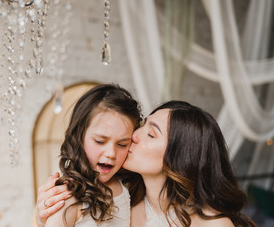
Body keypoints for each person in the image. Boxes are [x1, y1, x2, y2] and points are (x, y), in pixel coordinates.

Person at [35, 100, 256, 227]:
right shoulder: (118, 197)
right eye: (143, 125)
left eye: (151, 134)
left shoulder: (212, 225)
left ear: (180, 157)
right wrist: (40, 218)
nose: (134, 135)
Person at [39, 83, 142, 227]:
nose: (111, 153)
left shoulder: (125, 184)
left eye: (122, 144)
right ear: (79, 137)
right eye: (100, 141)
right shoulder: (68, 197)